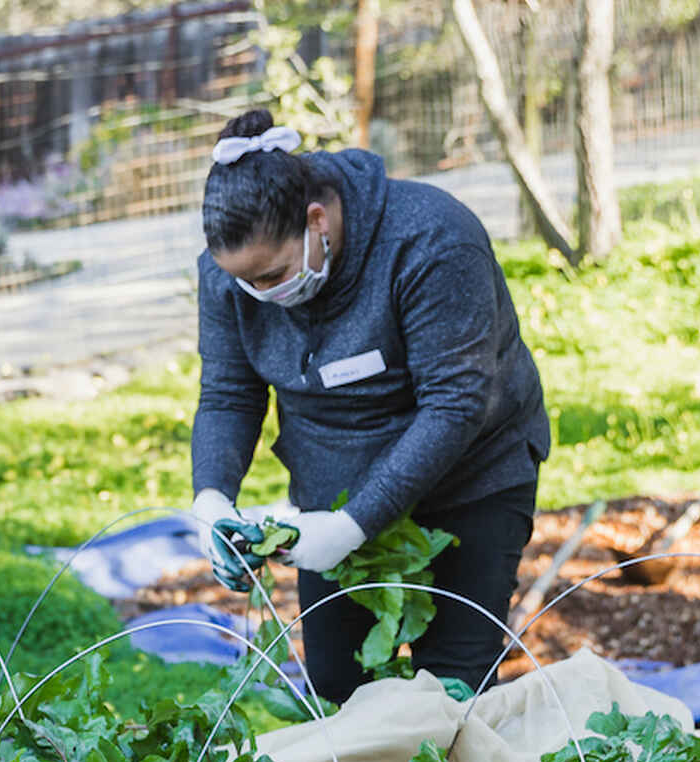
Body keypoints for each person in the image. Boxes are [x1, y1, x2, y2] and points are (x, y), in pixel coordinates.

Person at [187, 109, 552, 704]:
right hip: (329, 488)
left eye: (272, 275)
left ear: (316, 220)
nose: (260, 296)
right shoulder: (232, 275)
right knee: (337, 685)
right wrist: (213, 498)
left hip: (470, 476)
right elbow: (229, 392)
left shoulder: (431, 239)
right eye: (243, 282)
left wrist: (353, 525)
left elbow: (455, 403)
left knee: (452, 687)